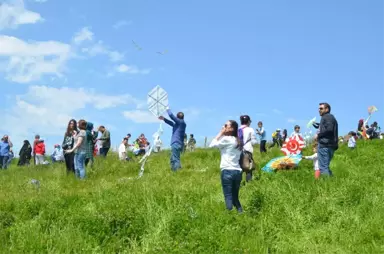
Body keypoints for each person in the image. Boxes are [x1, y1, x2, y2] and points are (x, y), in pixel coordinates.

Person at [209, 120, 243, 213]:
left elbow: (211, 145)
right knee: (235, 196)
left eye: (225, 125)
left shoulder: (226, 139)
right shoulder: (238, 141)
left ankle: (229, 215)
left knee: (228, 195)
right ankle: (240, 212)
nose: (223, 127)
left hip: (227, 171)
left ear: (231, 128)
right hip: (238, 171)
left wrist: (220, 133)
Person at [317, 102, 338, 177]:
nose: (319, 110)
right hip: (330, 144)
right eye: (319, 108)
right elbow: (328, 128)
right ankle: (332, 183)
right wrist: (318, 126)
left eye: (321, 108)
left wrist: (318, 135)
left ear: (327, 109)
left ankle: (327, 185)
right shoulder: (330, 117)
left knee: (323, 167)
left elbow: (329, 130)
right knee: (325, 166)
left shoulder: (327, 117)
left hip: (325, 144)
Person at [239, 115, 257, 182]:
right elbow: (253, 141)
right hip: (247, 149)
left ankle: (238, 184)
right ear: (248, 121)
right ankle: (249, 183)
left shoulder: (238, 129)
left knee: (239, 167)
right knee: (248, 167)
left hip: (238, 150)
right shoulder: (250, 129)